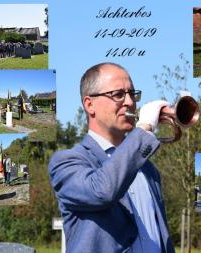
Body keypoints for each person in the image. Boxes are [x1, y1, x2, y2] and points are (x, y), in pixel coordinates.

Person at [48, 62, 174, 252]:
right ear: (90, 105)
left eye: (132, 94)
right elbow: (101, 191)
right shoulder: (66, 162)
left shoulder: (147, 168)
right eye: (118, 95)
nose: (130, 102)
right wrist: (145, 127)